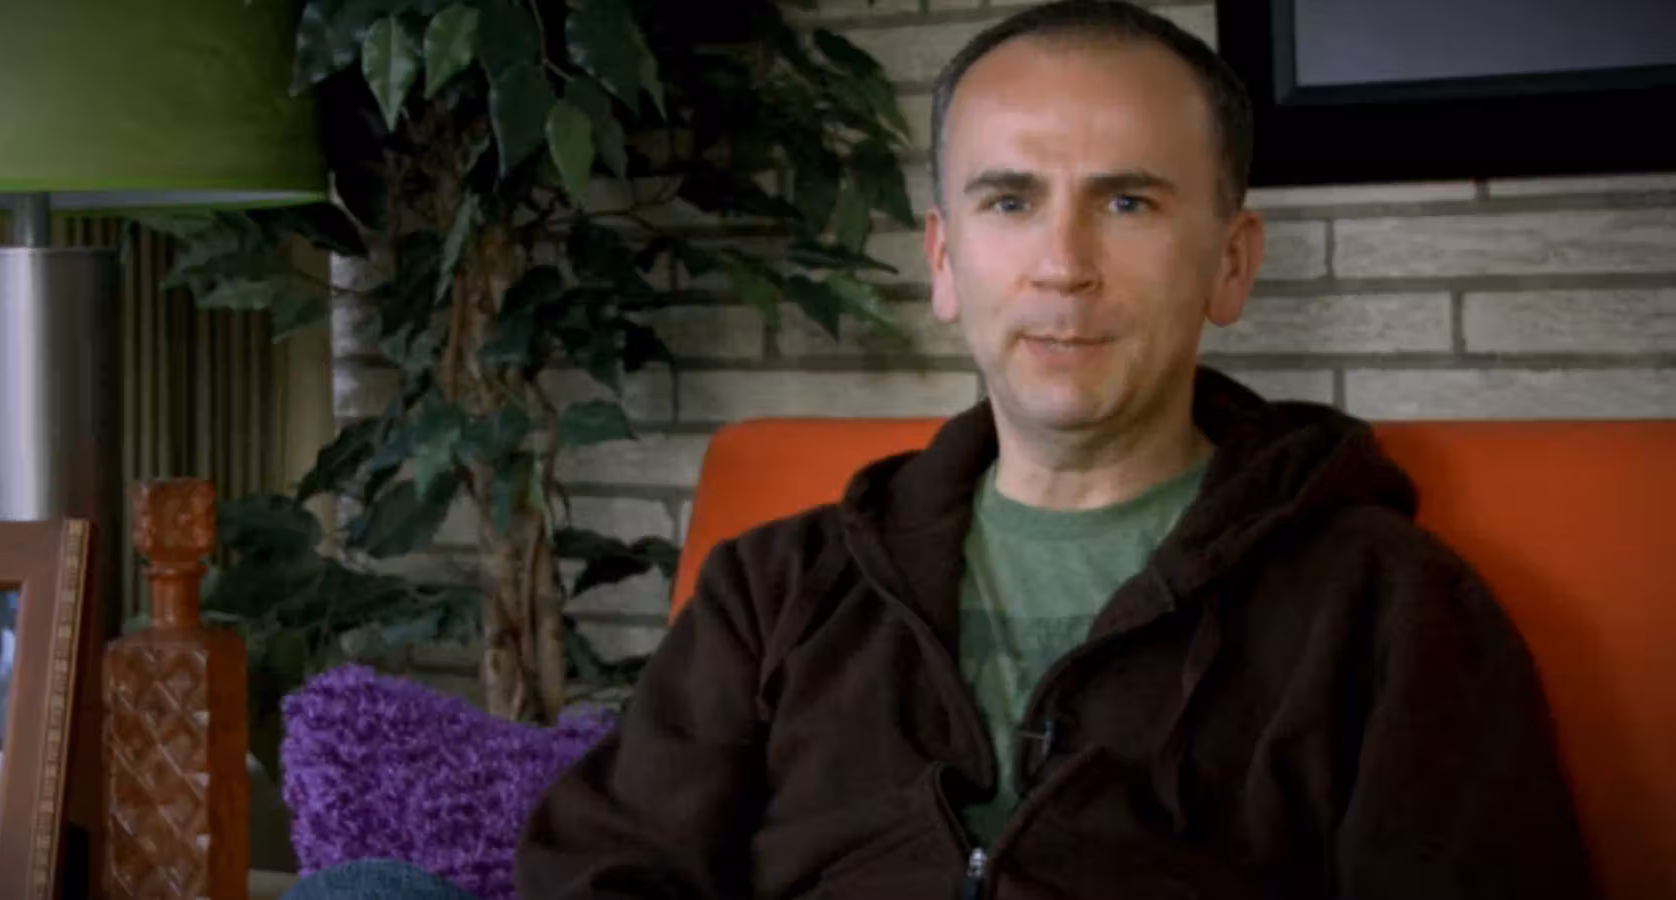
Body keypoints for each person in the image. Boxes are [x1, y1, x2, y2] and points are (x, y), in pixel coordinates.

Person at [508, 2, 1594, 898]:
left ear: (1230, 262)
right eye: (1011, 200)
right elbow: (603, 868)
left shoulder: (1387, 607)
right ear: (945, 263)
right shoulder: (776, 588)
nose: (1063, 264)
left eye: (1127, 201)